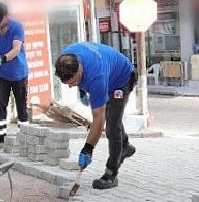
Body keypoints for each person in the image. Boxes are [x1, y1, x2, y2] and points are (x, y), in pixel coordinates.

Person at [54, 42, 137, 190]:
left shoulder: (96, 77)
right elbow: (77, 80)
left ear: (79, 70)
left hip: (121, 81)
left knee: (111, 127)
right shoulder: (66, 58)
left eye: (73, 82)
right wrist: (82, 90)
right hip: (108, 75)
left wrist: (88, 149)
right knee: (113, 118)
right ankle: (124, 146)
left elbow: (98, 119)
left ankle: (111, 175)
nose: (71, 86)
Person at [0, 2, 29, 150]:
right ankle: (0, 139)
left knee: (21, 106)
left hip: (18, 74)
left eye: (1, 24)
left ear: (7, 17)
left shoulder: (17, 27)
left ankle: (25, 138)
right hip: (0, 75)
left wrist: (2, 58)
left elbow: (16, 49)